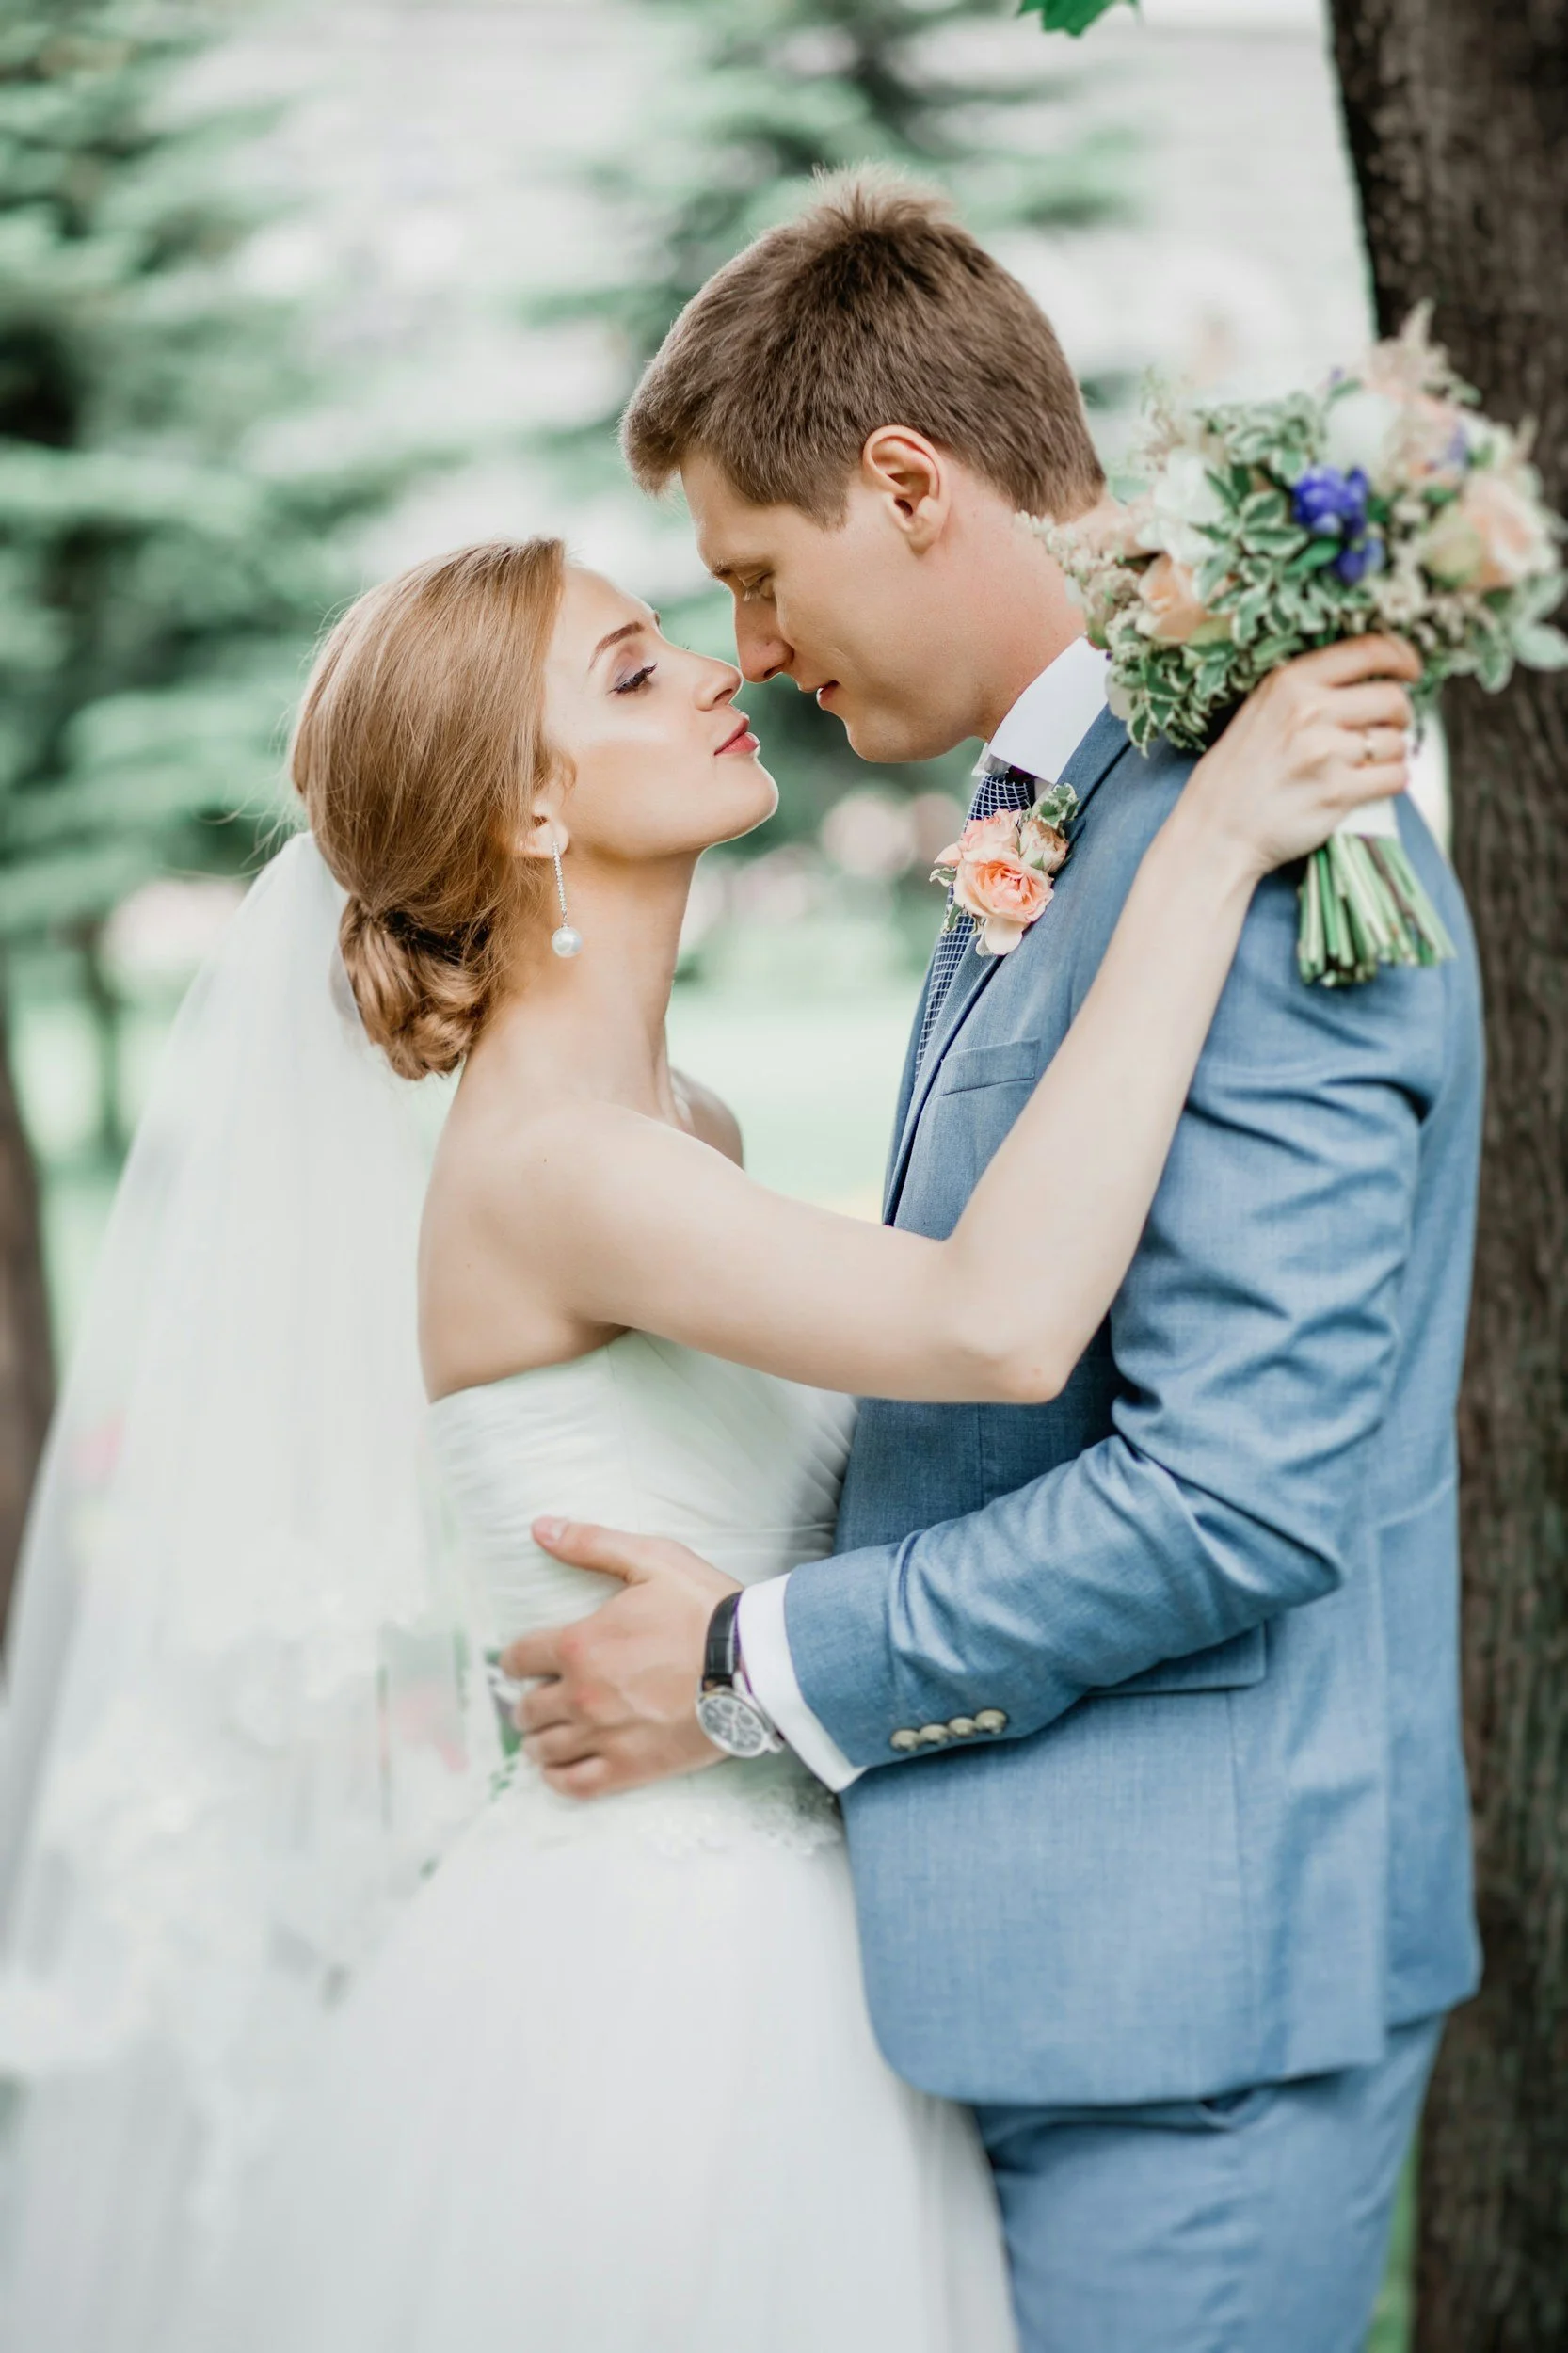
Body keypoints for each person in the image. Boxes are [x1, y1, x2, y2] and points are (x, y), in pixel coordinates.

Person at [0, 501, 1406, 2346]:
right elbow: (988, 1319)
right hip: (664, 1992)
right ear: (527, 811)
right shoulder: (561, 1167)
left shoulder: (679, 1128)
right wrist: (1207, 843)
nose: (716, 671)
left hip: (812, 1924)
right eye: (632, 669)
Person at [497, 175, 1485, 2353]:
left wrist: (756, 1659)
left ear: (905, 482)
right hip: (1037, 1971)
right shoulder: (1096, 805)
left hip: (1187, 2006)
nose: (749, 648)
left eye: (753, 576)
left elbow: (1229, 1486)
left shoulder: (1268, 828)